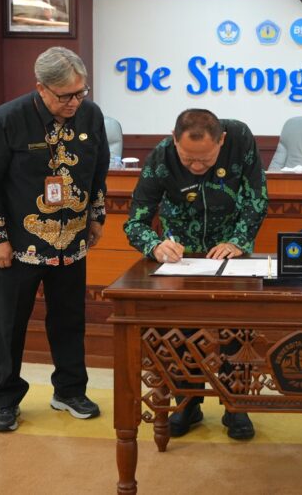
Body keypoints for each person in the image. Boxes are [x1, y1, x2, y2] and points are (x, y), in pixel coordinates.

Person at [0, 46, 108, 433]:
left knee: (70, 320)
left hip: (72, 243)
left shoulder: (91, 115)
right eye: (65, 96)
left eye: (80, 92)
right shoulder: (5, 121)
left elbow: (98, 170)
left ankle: (70, 391)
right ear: (41, 88)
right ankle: (6, 400)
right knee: (11, 325)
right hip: (19, 246)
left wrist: (96, 216)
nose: (74, 102)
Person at [124, 108, 268, 440]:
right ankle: (187, 403)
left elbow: (257, 199)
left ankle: (236, 404)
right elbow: (135, 222)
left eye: (205, 159)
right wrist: (156, 246)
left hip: (231, 252)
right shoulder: (161, 156)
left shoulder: (240, 139)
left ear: (221, 141)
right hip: (182, 257)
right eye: (188, 159)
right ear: (175, 140)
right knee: (180, 332)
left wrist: (238, 240)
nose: (197, 167)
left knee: (237, 329)